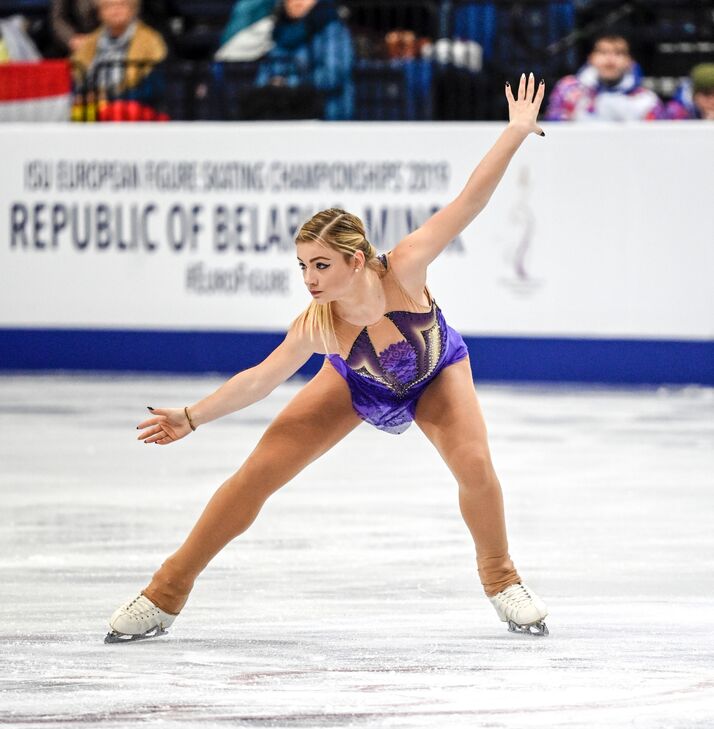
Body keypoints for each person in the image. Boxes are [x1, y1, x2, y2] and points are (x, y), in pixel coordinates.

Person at [106, 71, 550, 644]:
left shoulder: (407, 265)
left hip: (437, 371)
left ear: (356, 260)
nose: (310, 278)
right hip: (354, 383)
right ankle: (165, 590)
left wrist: (514, 131)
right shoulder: (317, 325)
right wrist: (191, 417)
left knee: (475, 467)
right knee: (255, 476)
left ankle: (501, 577)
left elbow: (471, 199)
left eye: (321, 265)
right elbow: (259, 380)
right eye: (303, 266)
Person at [253, 0, 354, 121]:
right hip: (283, 118)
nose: (296, 2)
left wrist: (288, 85)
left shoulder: (333, 30)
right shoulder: (278, 32)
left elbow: (333, 76)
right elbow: (263, 78)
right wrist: (271, 87)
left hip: (326, 117)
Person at [545, 34, 664, 122]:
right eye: (603, 52)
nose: (610, 59)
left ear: (629, 61)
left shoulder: (646, 100)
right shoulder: (568, 89)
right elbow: (553, 127)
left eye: (618, 53)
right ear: (591, 58)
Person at [72, 0, 167, 95]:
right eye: (109, 6)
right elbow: (75, 77)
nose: (115, 10)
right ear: (99, 12)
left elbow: (155, 87)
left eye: (122, 4)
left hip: (131, 106)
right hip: (90, 105)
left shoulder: (151, 41)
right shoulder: (89, 43)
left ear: (133, 9)